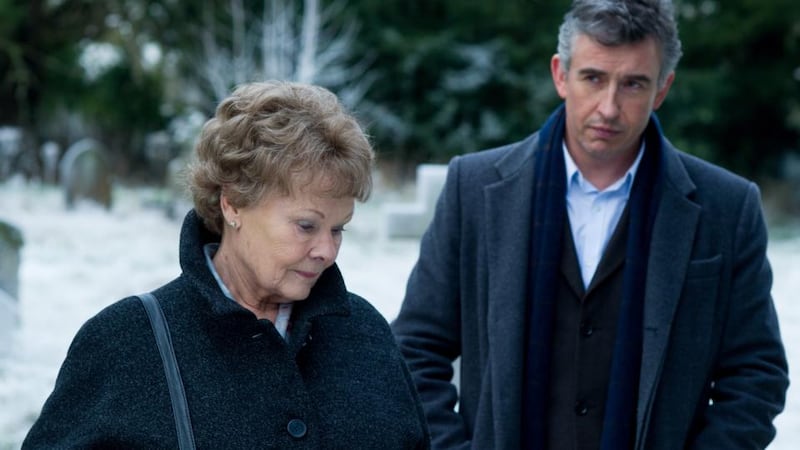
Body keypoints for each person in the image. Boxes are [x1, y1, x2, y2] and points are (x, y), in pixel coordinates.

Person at [391, 1, 789, 449]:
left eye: (633, 84)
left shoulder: (727, 208)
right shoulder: (473, 188)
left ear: (662, 89)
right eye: (594, 78)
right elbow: (413, 351)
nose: (609, 107)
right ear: (561, 75)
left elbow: (756, 375)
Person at [23, 81, 430, 449]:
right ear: (232, 203)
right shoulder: (125, 342)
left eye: (338, 229)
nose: (327, 250)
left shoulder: (365, 334)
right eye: (306, 226)